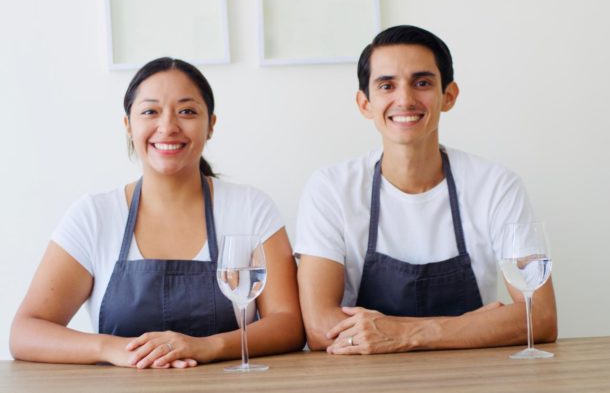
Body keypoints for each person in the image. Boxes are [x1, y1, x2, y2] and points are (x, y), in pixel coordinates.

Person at [10, 57, 304, 368]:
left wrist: (207, 346)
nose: (168, 127)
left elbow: (288, 323)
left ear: (211, 125)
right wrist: (111, 349)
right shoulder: (93, 216)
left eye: (187, 111)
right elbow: (26, 331)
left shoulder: (250, 208)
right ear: (128, 125)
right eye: (150, 111)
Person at [295, 25, 557, 354]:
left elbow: (542, 317)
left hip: (474, 378)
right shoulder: (330, 190)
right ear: (365, 104)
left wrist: (406, 333)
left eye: (422, 83)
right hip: (362, 380)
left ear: (449, 96)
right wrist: (470, 325)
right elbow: (320, 328)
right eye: (387, 85)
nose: (405, 99)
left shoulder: (496, 186)